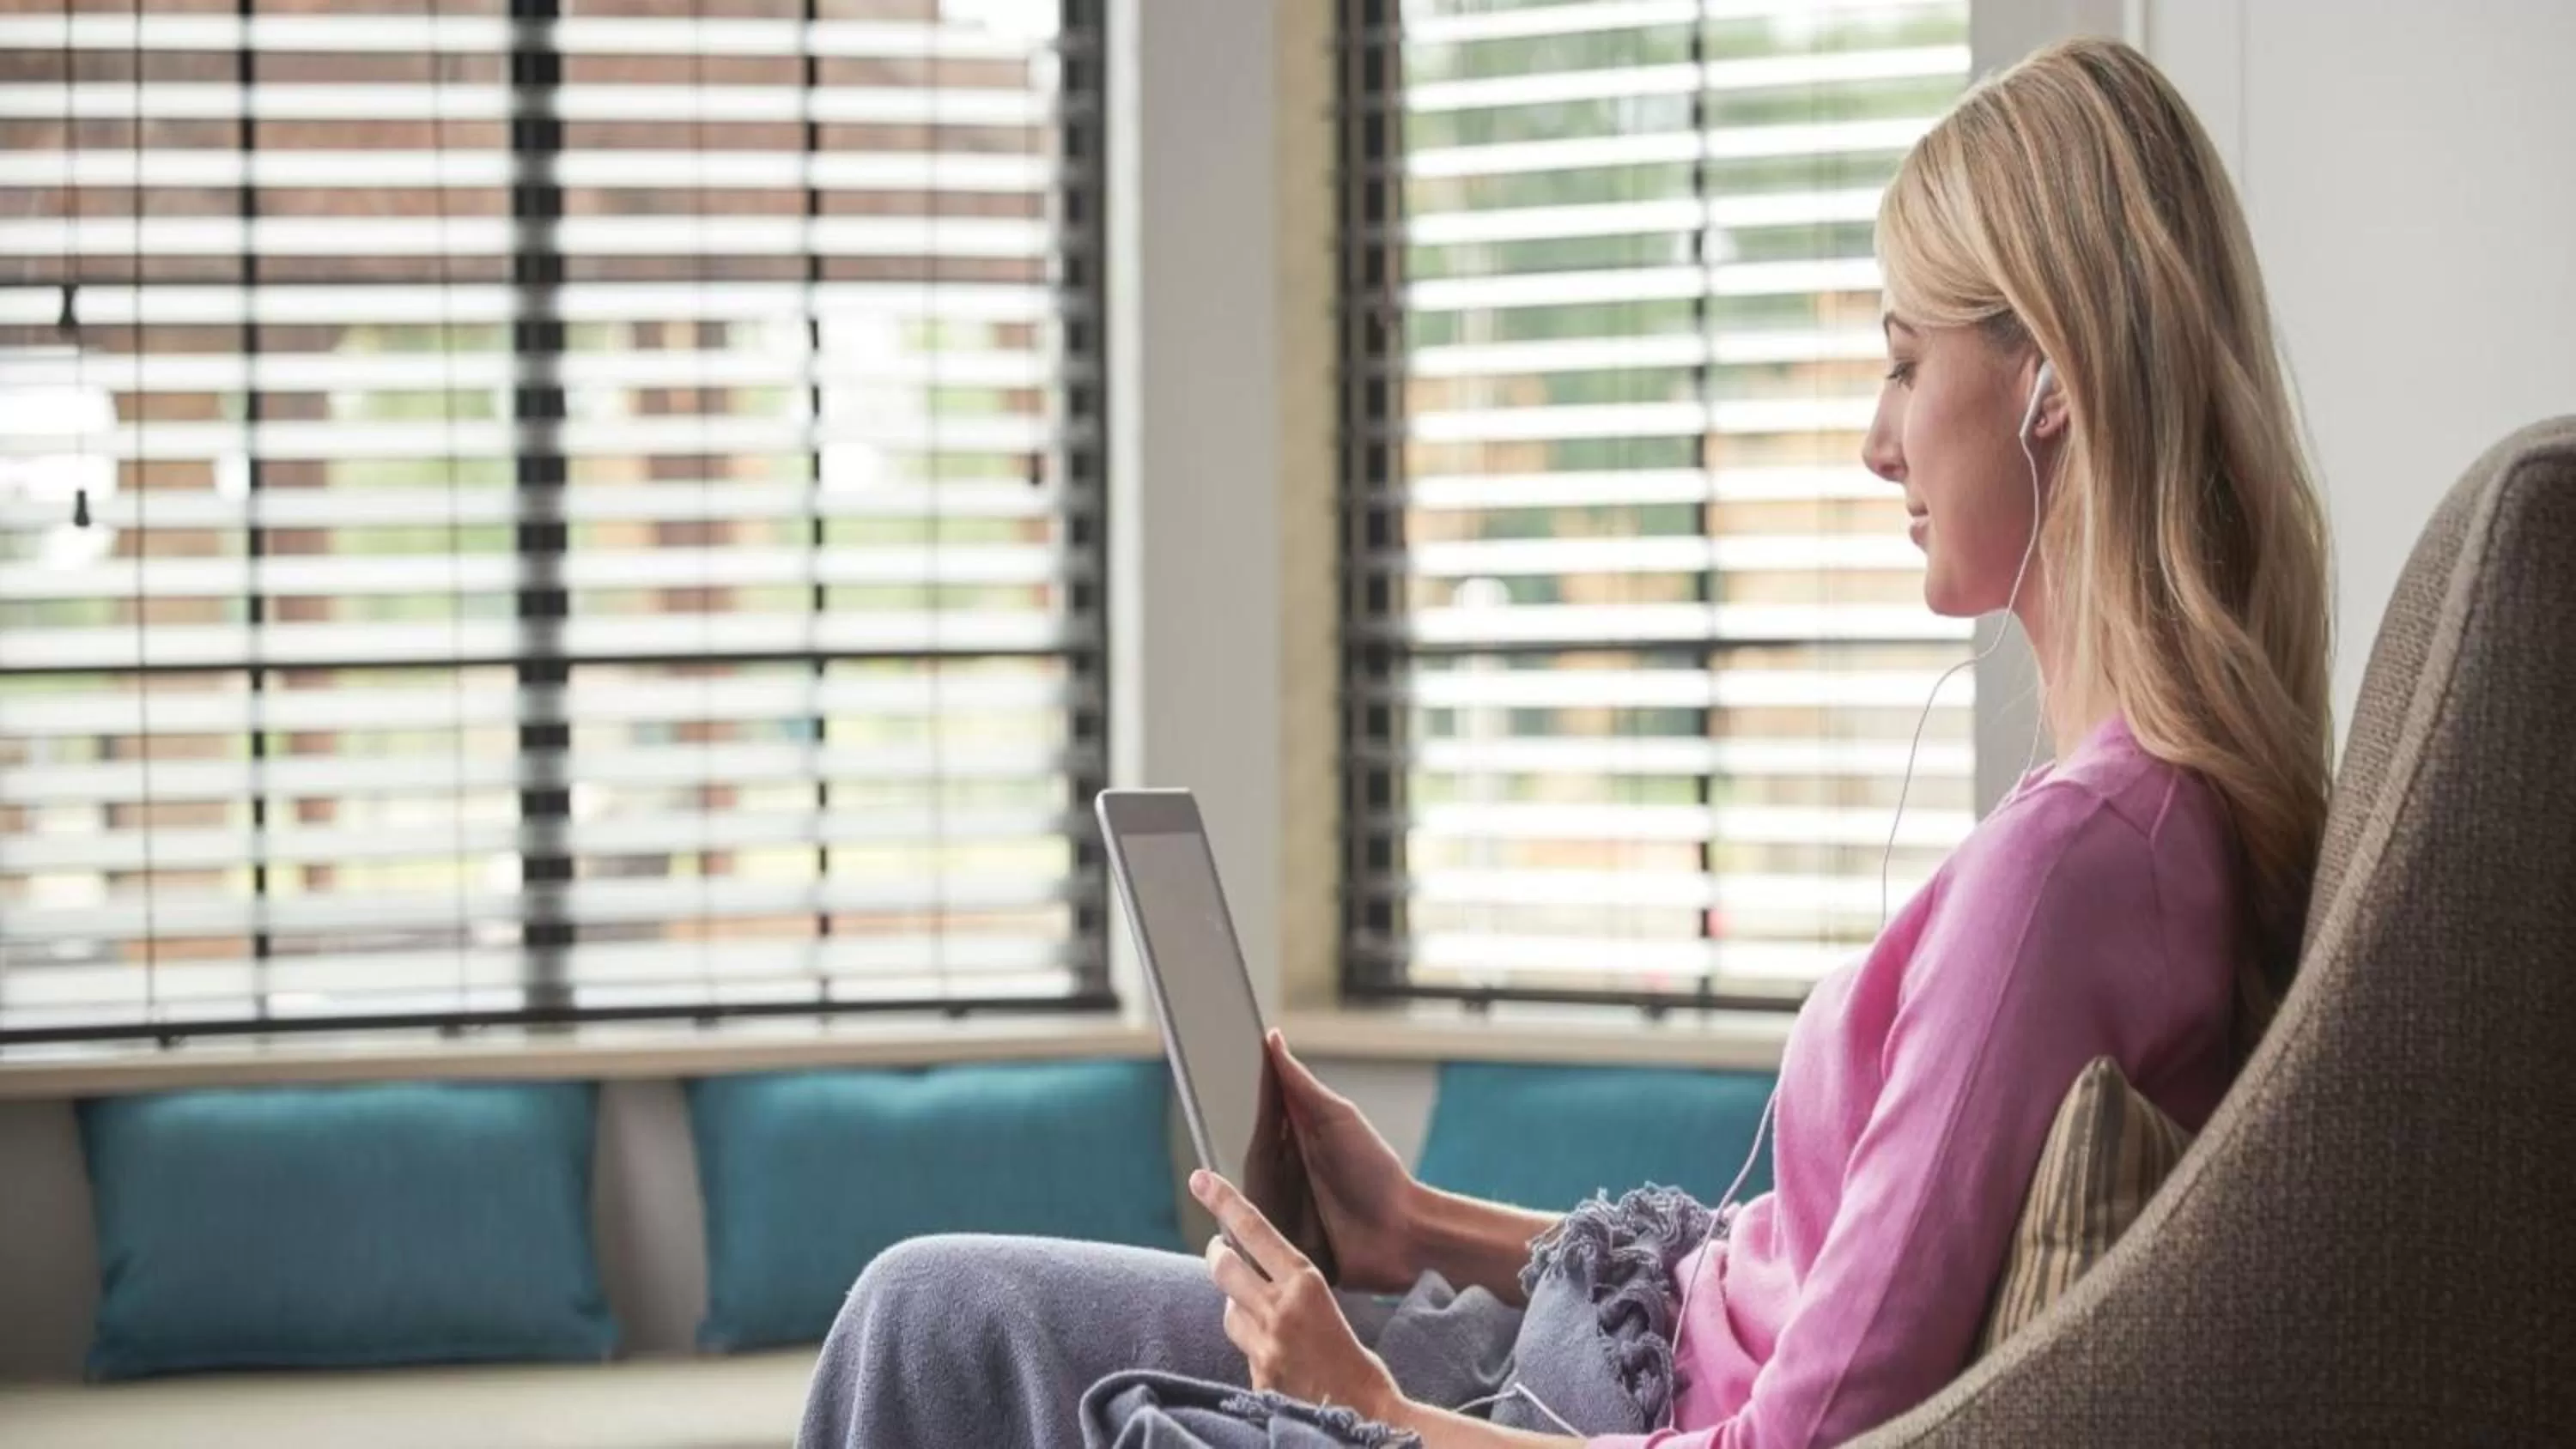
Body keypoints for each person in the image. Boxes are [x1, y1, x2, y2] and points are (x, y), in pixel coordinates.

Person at [797, 35, 2331, 1449]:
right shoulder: (2133, 832)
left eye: (1904, 359)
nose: (1879, 440)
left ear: (2049, 374)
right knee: (935, 1310)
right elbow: (1772, 1284)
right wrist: (1415, 1222)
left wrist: (1372, 1413)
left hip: (1543, 1412)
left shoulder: (2071, 870)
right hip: (1574, 1355)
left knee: (930, 1322)